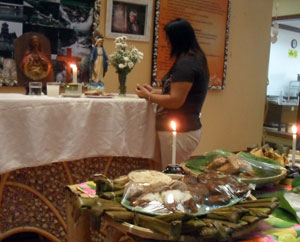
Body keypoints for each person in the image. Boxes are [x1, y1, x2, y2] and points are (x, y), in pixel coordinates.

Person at [135, 18, 210, 169]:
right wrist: (153, 91)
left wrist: (148, 96)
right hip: (183, 130)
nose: (167, 43)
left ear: (178, 39)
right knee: (168, 171)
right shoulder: (193, 58)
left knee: (172, 175)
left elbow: (176, 100)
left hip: (180, 132)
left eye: (169, 39)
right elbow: (174, 91)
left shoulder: (187, 64)